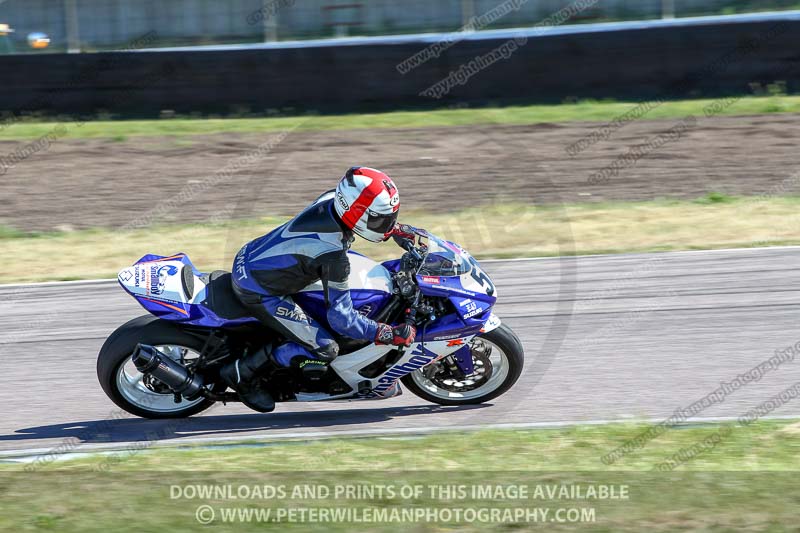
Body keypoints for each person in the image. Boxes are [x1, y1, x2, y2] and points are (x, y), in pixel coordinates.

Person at [221, 166, 416, 412]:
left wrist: (395, 230)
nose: (386, 223)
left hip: (254, 255)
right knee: (325, 347)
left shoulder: (331, 200)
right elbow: (342, 319)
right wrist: (386, 333)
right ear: (355, 211)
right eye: (380, 219)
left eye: (390, 217)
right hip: (259, 289)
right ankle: (243, 373)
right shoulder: (333, 257)